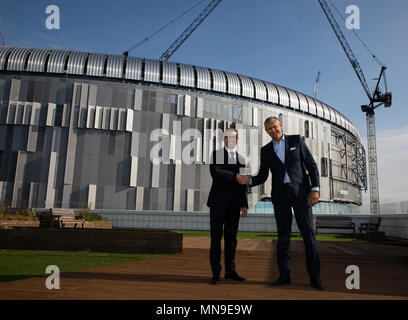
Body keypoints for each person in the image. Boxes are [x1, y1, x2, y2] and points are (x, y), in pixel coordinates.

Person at [238, 116, 324, 290]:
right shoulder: (266, 150)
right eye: (269, 129)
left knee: (308, 235)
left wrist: (315, 188)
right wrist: (249, 180)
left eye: (275, 127)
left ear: (280, 126)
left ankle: (315, 277)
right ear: (266, 131)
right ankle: (284, 275)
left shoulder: (296, 140)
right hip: (280, 196)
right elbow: (263, 175)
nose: (273, 130)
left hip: (301, 194)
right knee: (283, 237)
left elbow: (312, 165)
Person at [207, 128, 248, 285]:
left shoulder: (242, 159)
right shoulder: (216, 154)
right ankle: (216, 274)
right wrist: (235, 176)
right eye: (228, 137)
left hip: (234, 206)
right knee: (216, 239)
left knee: (231, 240)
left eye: (234, 137)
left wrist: (244, 204)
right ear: (224, 139)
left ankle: (230, 271)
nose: (231, 140)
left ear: (237, 140)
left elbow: (244, 184)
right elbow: (216, 172)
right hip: (218, 204)